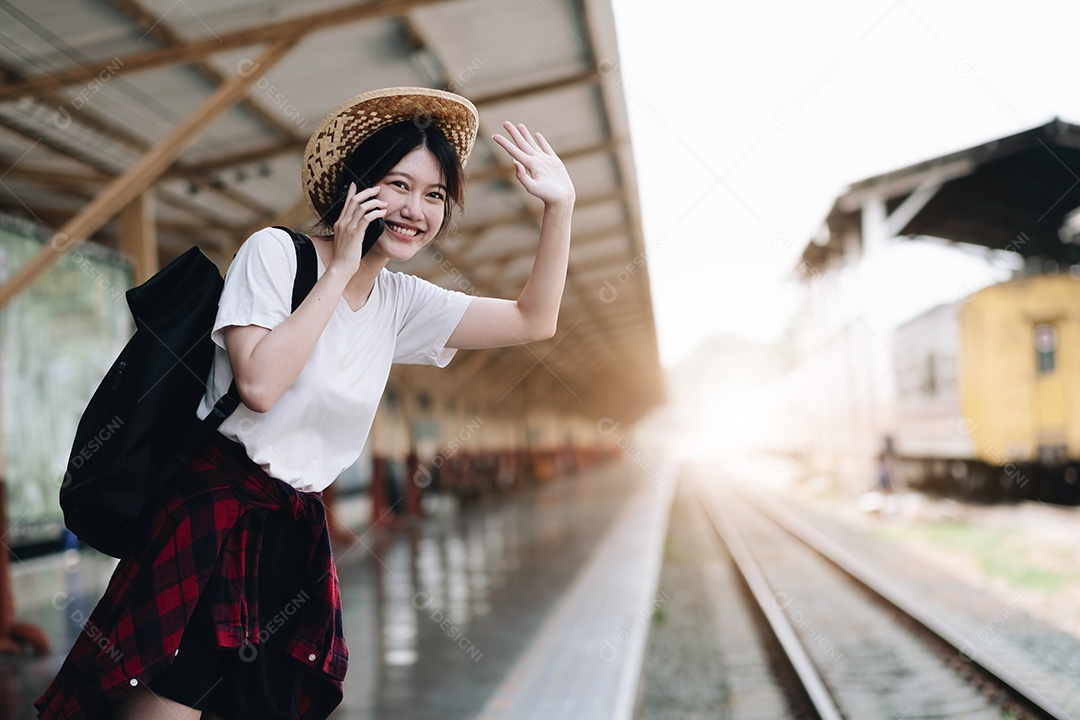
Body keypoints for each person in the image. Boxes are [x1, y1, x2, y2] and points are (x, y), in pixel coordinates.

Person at [35, 86, 575, 720]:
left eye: (433, 195)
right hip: (213, 516)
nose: (415, 209)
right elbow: (260, 386)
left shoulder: (403, 302)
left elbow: (532, 319)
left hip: (293, 534)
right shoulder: (274, 253)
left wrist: (559, 208)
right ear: (355, 186)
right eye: (398, 185)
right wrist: (342, 267)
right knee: (169, 703)